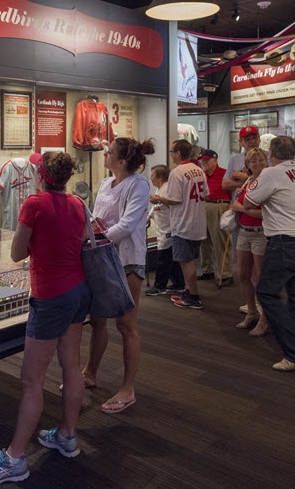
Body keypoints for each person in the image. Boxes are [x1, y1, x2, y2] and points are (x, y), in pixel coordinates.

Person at [0, 152, 90, 485]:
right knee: (71, 366)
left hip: (50, 296)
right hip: (79, 291)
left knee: (31, 380)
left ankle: (13, 459)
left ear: (40, 174)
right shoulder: (78, 204)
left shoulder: (34, 204)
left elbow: (16, 253)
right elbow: (79, 243)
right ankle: (67, 435)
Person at [82, 137, 154, 413]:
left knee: (126, 324)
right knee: (98, 320)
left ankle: (128, 388)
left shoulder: (138, 185)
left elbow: (127, 224)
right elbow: (98, 218)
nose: (104, 154)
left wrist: (95, 241)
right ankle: (89, 372)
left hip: (127, 260)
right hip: (103, 258)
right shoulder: (104, 183)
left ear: (122, 161)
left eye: (109, 152)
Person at [244, 136, 295, 372]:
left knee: (266, 293)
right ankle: (294, 352)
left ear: (271, 154)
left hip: (284, 241)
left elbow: (247, 202)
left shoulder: (271, 174)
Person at [150, 139, 208, 309]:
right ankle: (189, 291)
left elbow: (174, 200)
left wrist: (158, 198)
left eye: (171, 152)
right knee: (188, 260)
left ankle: (194, 296)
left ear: (178, 153)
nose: (170, 155)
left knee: (186, 261)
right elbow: (205, 192)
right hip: (197, 221)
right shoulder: (199, 170)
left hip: (183, 222)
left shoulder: (177, 172)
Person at [223, 126, 265, 313]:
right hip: (239, 220)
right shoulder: (235, 159)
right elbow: (225, 184)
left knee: (259, 267)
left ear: (259, 138)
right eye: (246, 139)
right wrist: (248, 180)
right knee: (242, 268)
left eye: (253, 137)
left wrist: (242, 176)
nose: (251, 141)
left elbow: (264, 180)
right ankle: (251, 305)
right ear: (241, 142)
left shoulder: (267, 158)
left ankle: (260, 303)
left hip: (260, 223)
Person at [232, 148, 269, 335]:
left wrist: (244, 208)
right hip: (244, 232)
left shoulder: (268, 181)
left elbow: (265, 213)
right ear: (247, 165)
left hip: (261, 233)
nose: (257, 164)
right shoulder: (248, 181)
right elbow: (234, 204)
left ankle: (264, 318)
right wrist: (244, 207)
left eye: (261, 160)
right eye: (253, 161)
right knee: (243, 275)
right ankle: (252, 311)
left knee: (260, 278)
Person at [145, 164, 185, 296]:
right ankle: (179, 284)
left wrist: (158, 200)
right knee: (171, 259)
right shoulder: (159, 189)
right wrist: (149, 215)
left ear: (160, 177)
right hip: (162, 228)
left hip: (169, 228)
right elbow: (156, 204)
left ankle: (159, 286)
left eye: (152, 175)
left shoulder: (168, 189)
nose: (150, 178)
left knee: (163, 259)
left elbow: (173, 205)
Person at [198, 149, 233, 286]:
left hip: (219, 206)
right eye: (203, 160)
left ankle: (225, 274)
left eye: (207, 159)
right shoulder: (203, 174)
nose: (204, 162)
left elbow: (232, 192)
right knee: (204, 241)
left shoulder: (224, 173)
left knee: (220, 242)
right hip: (204, 205)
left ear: (215, 160)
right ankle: (208, 270)